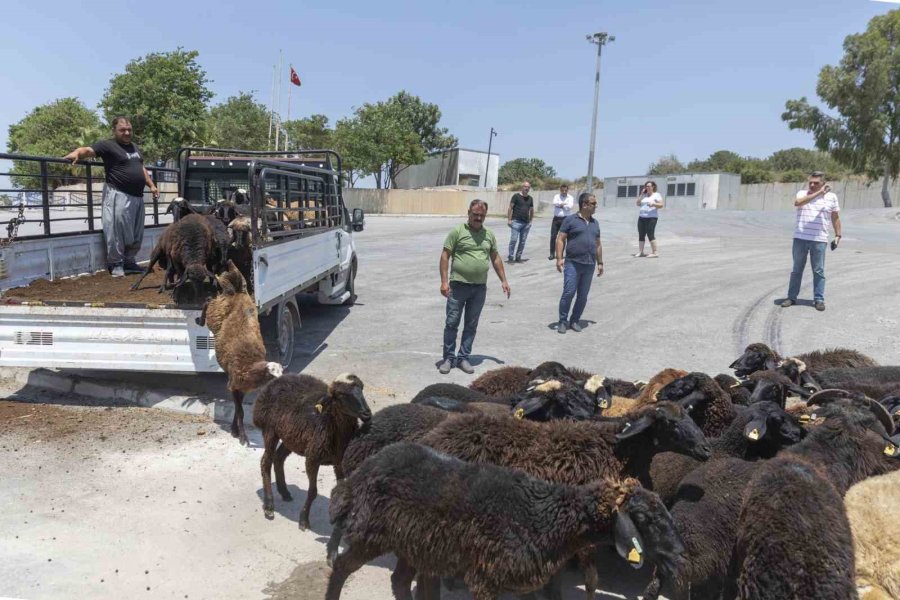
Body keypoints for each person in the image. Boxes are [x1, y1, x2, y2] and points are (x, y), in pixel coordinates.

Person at [64, 117, 159, 278]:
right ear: (114, 131)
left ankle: (129, 262)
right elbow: (88, 150)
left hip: (137, 196)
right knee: (116, 230)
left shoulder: (134, 147)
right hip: (118, 194)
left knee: (136, 232)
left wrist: (151, 185)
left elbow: (140, 167)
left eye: (129, 129)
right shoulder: (107, 145)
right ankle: (116, 264)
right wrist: (77, 153)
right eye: (122, 130)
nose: (127, 132)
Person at [439, 199, 511, 374]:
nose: (478, 218)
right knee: (452, 323)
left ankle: (463, 358)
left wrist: (504, 280)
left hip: (479, 288)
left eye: (482, 215)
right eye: (475, 214)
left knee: (471, 324)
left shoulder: (489, 235)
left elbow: (495, 258)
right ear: (468, 213)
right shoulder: (457, 232)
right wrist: (444, 281)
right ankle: (449, 358)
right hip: (458, 286)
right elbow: (445, 256)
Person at [781, 171, 841, 312]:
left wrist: (838, 235)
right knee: (797, 270)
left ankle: (819, 299)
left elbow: (835, 217)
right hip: (800, 238)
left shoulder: (832, 197)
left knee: (818, 271)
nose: (812, 185)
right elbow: (798, 203)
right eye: (811, 182)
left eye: (816, 183)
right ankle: (791, 297)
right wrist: (819, 193)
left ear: (823, 183)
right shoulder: (802, 193)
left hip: (819, 240)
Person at [556, 192, 603, 333]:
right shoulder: (570, 220)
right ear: (584, 205)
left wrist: (600, 263)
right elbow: (560, 239)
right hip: (572, 263)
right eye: (593, 203)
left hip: (589, 264)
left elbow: (598, 244)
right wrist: (559, 259)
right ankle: (563, 321)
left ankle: (575, 320)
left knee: (583, 296)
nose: (596, 206)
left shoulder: (595, 223)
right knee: (569, 292)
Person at [506, 181, 534, 263]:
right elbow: (510, 208)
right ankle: (511, 257)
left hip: (526, 224)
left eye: (528, 187)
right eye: (525, 186)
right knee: (513, 240)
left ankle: (518, 257)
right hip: (516, 222)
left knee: (522, 241)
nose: (527, 188)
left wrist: (531, 221)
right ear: (522, 187)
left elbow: (532, 210)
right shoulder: (516, 196)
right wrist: (509, 220)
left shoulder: (530, 198)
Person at [635, 181, 663, 258]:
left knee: (650, 234)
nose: (647, 187)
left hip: (651, 217)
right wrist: (641, 194)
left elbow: (661, 205)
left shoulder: (657, 195)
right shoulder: (644, 195)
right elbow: (637, 204)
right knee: (641, 234)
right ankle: (641, 252)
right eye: (646, 186)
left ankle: (655, 252)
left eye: (648, 186)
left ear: (653, 187)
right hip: (641, 217)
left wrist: (653, 204)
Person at [549, 183, 575, 260]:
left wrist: (560, 205)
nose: (564, 192)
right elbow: (554, 203)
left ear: (567, 190)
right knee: (553, 236)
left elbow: (569, 207)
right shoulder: (556, 196)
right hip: (556, 219)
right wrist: (563, 204)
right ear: (560, 190)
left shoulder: (570, 197)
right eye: (562, 190)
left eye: (565, 190)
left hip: (566, 219)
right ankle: (552, 254)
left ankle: (560, 254)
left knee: (563, 237)